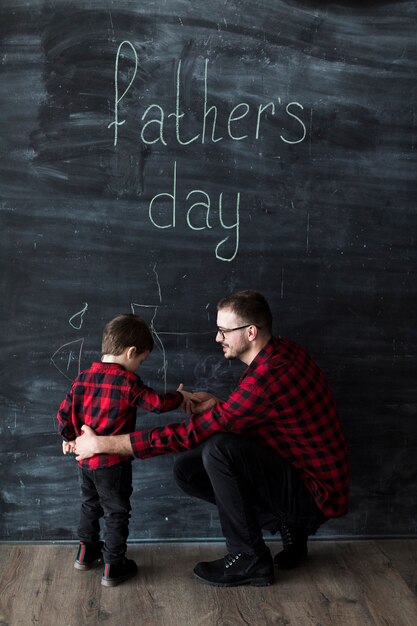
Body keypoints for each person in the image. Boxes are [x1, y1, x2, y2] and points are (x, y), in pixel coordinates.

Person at [75, 291, 349, 587]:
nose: (218, 338)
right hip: (298, 475)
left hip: (315, 496)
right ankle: (285, 522)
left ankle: (249, 558)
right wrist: (221, 408)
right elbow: (269, 423)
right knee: (188, 470)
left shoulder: (264, 380)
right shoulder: (284, 353)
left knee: (218, 450)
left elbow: (187, 434)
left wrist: (102, 444)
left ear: (251, 332)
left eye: (223, 331)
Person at [57, 313, 197, 587]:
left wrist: (70, 438)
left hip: (85, 462)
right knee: (116, 513)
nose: (139, 366)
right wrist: (181, 396)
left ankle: (85, 552)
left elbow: (63, 413)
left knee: (89, 505)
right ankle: (113, 565)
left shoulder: (82, 378)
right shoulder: (127, 382)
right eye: (141, 360)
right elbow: (156, 403)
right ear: (131, 352)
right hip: (113, 465)